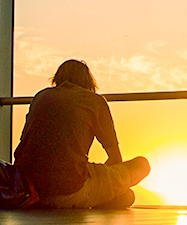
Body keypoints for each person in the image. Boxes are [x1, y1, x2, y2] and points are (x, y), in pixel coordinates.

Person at [13, 59, 150, 209]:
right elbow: (116, 159)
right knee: (140, 169)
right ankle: (85, 199)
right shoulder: (94, 101)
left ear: (57, 79)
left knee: (121, 194)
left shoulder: (40, 97)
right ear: (88, 81)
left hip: (25, 189)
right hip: (67, 190)